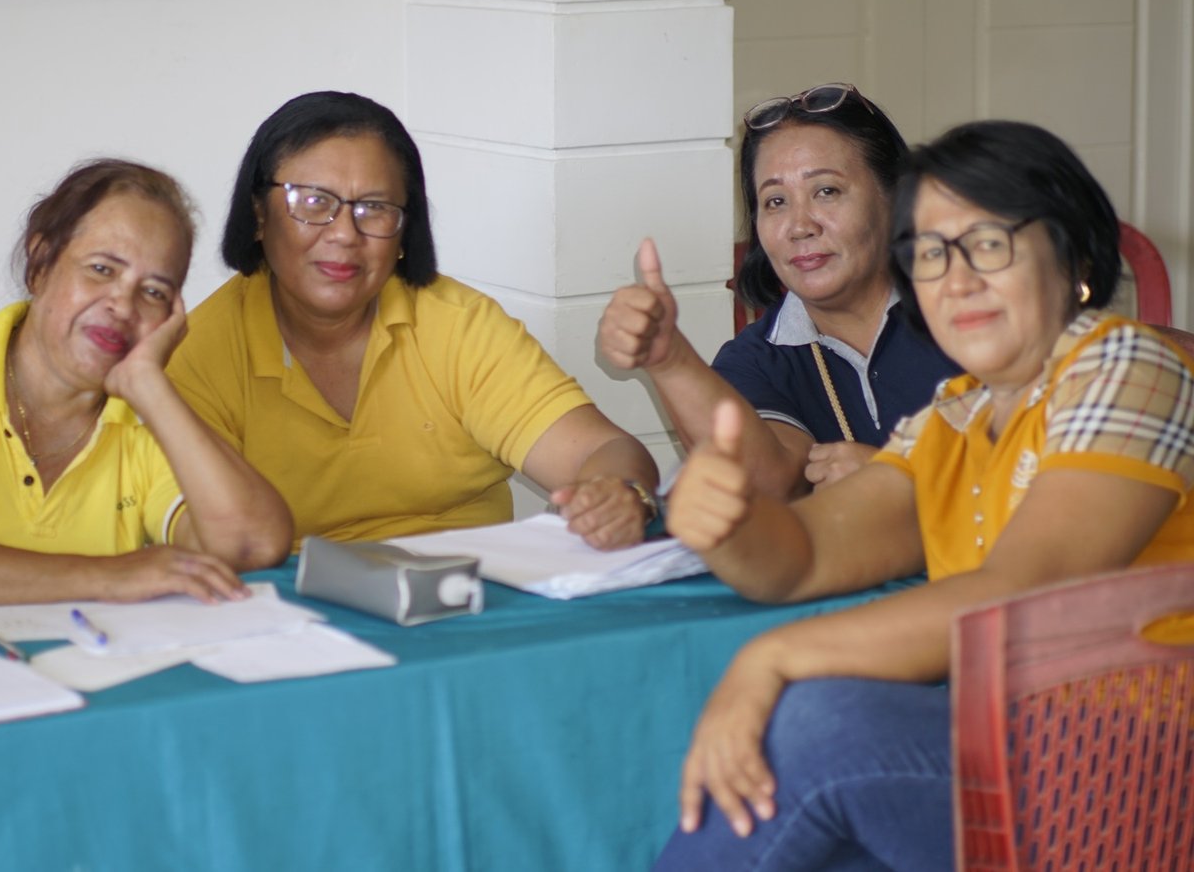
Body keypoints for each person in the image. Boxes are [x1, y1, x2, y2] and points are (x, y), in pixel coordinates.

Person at [652, 121, 1194, 870]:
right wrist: (730, 526)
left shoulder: (1130, 365)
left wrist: (768, 659)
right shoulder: (954, 418)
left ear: (1074, 254)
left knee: (825, 725)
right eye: (932, 254)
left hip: (1151, 768)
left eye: (988, 244)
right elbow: (801, 557)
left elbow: (1026, 591)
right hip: (1030, 749)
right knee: (813, 807)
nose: (956, 280)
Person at [166, 91, 660, 550]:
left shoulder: (456, 326)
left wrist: (619, 494)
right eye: (314, 202)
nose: (345, 233)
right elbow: (211, 535)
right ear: (258, 215)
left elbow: (602, 450)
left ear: (405, 230)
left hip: (472, 588)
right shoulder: (202, 352)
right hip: (289, 598)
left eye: (374, 208)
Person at [0, 159, 293, 613]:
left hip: (70, 653)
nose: (123, 305)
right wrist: (105, 578)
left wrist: (150, 387)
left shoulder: (147, 416)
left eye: (154, 292)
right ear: (40, 263)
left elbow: (251, 546)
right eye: (101, 269)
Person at [599, 83, 959, 497]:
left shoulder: (969, 305)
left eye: (826, 191)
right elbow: (767, 482)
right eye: (775, 202)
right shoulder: (756, 360)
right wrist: (670, 360)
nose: (800, 226)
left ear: (895, 198)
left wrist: (904, 478)